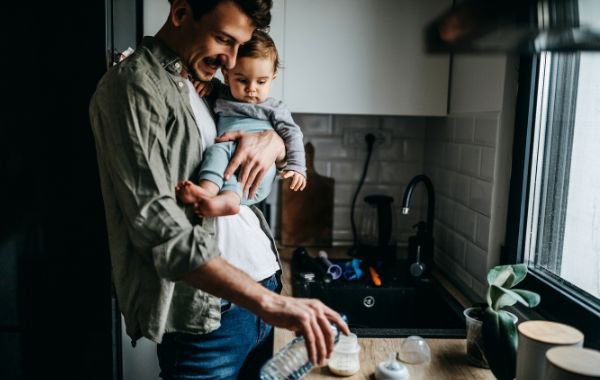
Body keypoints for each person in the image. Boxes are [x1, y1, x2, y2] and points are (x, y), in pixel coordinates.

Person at [88, 0, 349, 379]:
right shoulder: (133, 86)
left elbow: (258, 129)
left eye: (239, 46)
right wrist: (268, 304)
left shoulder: (204, 82)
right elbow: (160, 230)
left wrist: (275, 141)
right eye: (223, 39)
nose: (231, 61)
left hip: (261, 288)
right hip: (214, 315)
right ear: (180, 14)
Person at [175, 29, 306, 217]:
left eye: (261, 82)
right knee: (217, 151)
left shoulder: (275, 108)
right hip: (229, 158)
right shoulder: (221, 93)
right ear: (227, 75)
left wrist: (297, 167)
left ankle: (219, 196)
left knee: (222, 152)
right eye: (242, 80)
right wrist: (208, 86)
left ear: (272, 79)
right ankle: (210, 193)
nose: (251, 89)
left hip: (258, 171)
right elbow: (209, 85)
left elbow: (293, 134)